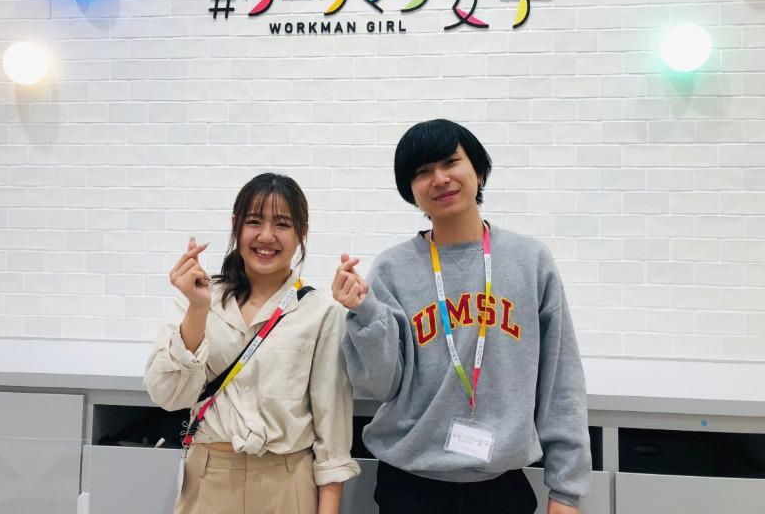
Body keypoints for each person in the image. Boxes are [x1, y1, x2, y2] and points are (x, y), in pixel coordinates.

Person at [332, 119, 591, 514]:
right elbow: (382, 384)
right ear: (411, 191)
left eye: (451, 162)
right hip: (410, 484)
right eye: (423, 172)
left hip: (499, 485)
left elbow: (561, 381)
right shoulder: (392, 270)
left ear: (479, 171)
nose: (440, 179)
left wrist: (566, 491)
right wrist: (364, 312)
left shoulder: (530, 262)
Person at [145, 172, 359, 514]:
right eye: (254, 221)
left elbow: (332, 432)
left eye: (282, 224)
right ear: (236, 225)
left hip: (287, 482)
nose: (267, 236)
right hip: (209, 477)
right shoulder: (199, 297)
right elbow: (167, 395)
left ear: (302, 231)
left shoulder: (320, 311)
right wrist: (198, 310)